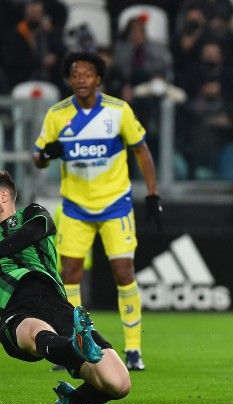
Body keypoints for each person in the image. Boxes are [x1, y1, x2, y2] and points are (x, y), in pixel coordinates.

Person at [33, 51, 163, 371]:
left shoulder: (118, 111)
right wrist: (46, 155)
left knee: (123, 272)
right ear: (68, 79)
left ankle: (133, 349)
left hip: (115, 204)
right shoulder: (57, 114)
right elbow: (38, 157)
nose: (81, 79)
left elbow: (141, 150)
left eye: (87, 74)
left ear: (99, 79)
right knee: (70, 275)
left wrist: (152, 193)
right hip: (76, 207)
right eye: (75, 74)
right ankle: (76, 344)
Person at [0, 170, 130, 404]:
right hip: (16, 312)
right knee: (36, 330)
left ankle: (71, 398)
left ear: (3, 196)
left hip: (56, 303)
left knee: (119, 384)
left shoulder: (32, 215)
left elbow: (25, 237)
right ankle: (74, 346)